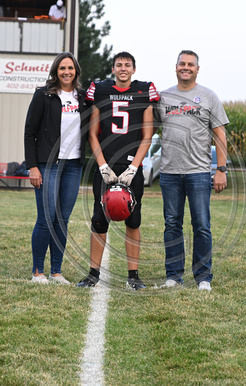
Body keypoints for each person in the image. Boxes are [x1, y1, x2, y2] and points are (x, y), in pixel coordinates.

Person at [76, 51, 159, 290]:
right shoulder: (100, 90)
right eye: (119, 65)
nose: (123, 68)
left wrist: (134, 167)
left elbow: (147, 134)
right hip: (106, 165)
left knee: (133, 221)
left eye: (127, 65)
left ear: (134, 69)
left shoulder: (144, 90)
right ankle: (93, 274)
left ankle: (133, 276)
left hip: (131, 166)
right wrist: (101, 165)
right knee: (99, 220)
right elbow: (92, 133)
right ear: (113, 69)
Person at [157, 50, 230, 291]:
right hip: (169, 173)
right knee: (172, 224)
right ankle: (173, 276)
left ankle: (203, 277)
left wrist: (221, 169)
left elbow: (220, 134)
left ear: (198, 69)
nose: (185, 67)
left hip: (198, 172)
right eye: (182, 63)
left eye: (190, 64)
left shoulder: (208, 96)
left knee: (201, 224)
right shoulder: (163, 97)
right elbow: (147, 127)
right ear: (175, 67)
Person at [24, 52, 89, 285]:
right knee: (46, 219)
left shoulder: (83, 97)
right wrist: (32, 166)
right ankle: (37, 272)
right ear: (55, 71)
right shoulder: (43, 95)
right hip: (47, 165)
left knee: (62, 220)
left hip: (73, 165)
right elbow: (30, 132)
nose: (66, 72)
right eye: (62, 68)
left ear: (76, 71)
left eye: (70, 68)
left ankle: (56, 272)